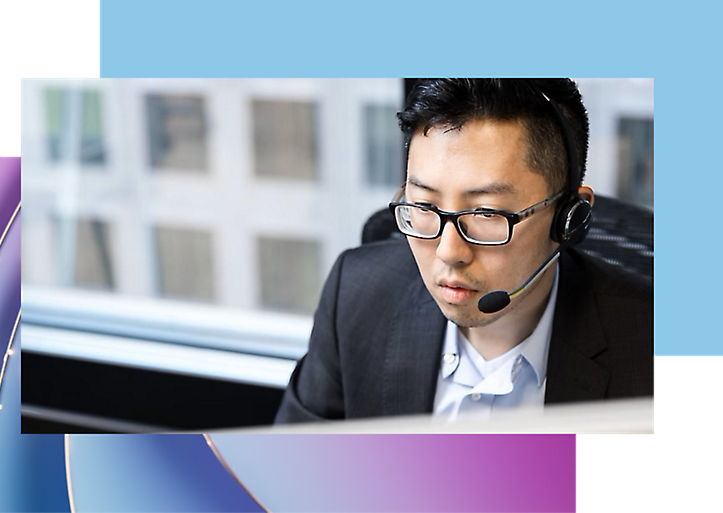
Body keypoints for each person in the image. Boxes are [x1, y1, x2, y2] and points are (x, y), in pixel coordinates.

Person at [275, 79, 654, 424]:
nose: (449, 252)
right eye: (424, 207)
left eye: (487, 213)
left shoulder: (653, 353)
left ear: (571, 218)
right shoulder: (357, 298)